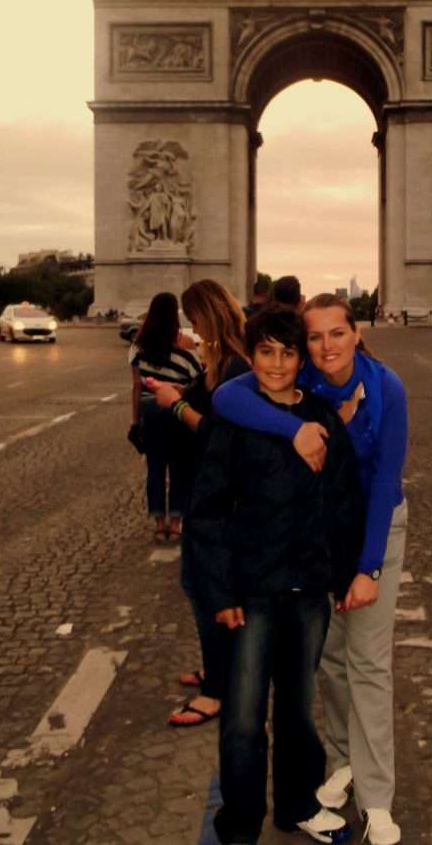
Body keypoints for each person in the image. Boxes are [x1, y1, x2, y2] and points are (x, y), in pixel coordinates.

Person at [214, 293, 408, 845]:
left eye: (337, 334)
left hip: (374, 528)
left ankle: (376, 799)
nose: (326, 347)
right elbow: (230, 395)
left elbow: (385, 484)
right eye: (314, 337)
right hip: (319, 537)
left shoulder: (386, 387)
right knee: (327, 662)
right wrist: (292, 430)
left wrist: (367, 568)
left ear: (357, 333)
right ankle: (344, 760)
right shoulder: (308, 381)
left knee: (367, 663)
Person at [191, 305, 364, 845]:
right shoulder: (234, 418)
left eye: (288, 353)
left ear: (299, 358)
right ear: (252, 352)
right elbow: (207, 512)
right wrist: (218, 592)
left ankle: (295, 806)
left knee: (296, 716)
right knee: (243, 720)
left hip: (307, 590)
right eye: (265, 351)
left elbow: (343, 501)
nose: (276, 363)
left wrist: (345, 574)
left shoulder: (322, 416)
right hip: (250, 591)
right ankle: (240, 826)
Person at [145, 279, 249, 728]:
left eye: (193, 317)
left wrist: (173, 405)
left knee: (206, 589)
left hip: (220, 500)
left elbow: (222, 437)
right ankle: (217, 669)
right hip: (207, 492)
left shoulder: (232, 366)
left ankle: (217, 691)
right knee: (199, 585)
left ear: (205, 314)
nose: (190, 326)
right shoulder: (224, 359)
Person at [128, 292, 201, 542]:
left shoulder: (139, 344)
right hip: (177, 411)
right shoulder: (187, 344)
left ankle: (159, 525)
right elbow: (196, 381)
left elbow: (137, 386)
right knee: (180, 470)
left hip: (151, 412)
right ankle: (176, 522)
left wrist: (134, 421)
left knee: (155, 469)